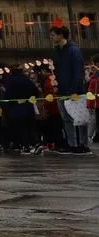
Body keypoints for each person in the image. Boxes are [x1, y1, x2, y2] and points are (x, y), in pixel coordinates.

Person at [50, 26, 89, 154]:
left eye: (53, 35)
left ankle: (83, 143)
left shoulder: (73, 50)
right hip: (61, 89)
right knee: (66, 118)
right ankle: (72, 143)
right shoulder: (56, 51)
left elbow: (78, 71)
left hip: (74, 90)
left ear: (61, 35)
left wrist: (74, 89)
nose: (52, 37)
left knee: (79, 117)